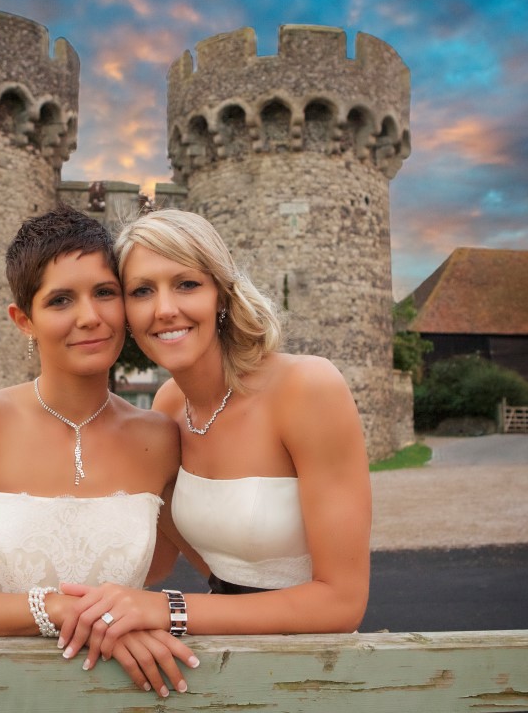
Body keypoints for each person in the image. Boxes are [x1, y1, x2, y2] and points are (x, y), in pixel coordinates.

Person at [0, 205, 197, 696]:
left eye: (104, 293)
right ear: (23, 320)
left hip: (123, 697)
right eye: (59, 301)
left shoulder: (160, 437)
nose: (90, 317)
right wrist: (59, 609)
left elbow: (213, 566)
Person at [57, 208, 372, 668]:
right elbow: (155, 558)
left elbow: (341, 603)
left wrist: (170, 610)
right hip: (218, 656)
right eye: (142, 291)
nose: (165, 309)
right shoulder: (167, 407)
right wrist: (3, 581)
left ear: (221, 295)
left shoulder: (308, 388)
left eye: (186, 284)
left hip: (313, 664)